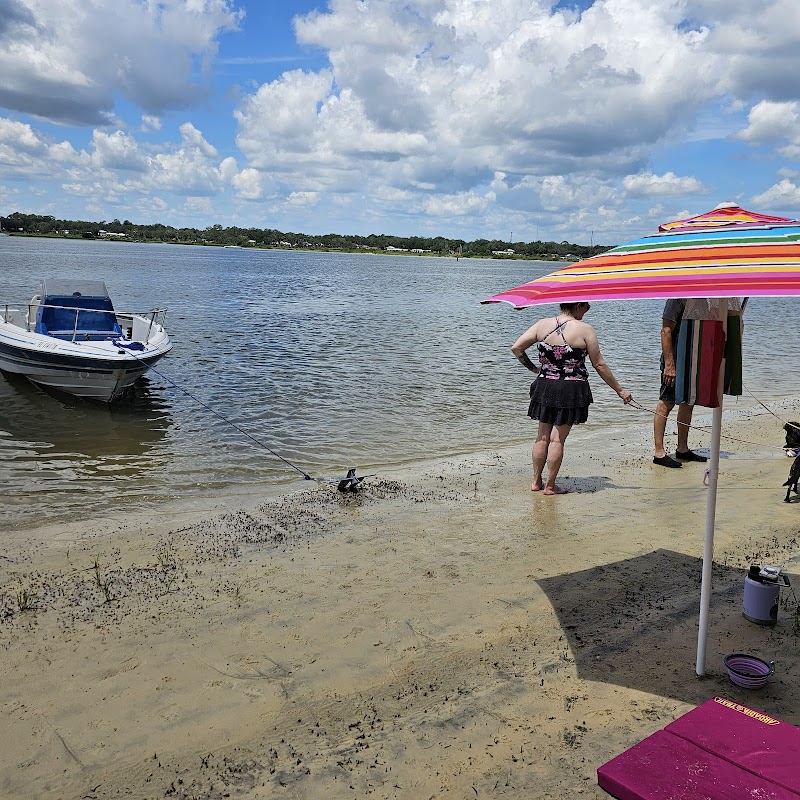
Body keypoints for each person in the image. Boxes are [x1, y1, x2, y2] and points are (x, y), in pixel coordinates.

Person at [511, 301, 633, 495]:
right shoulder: (585, 330)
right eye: (586, 306)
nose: (588, 309)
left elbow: (517, 348)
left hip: (544, 385)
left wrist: (535, 369)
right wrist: (620, 390)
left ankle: (536, 481)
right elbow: (599, 364)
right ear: (577, 305)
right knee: (557, 440)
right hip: (571, 388)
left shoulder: (542, 324)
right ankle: (550, 486)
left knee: (542, 436)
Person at [652, 298, 708, 468]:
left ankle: (682, 449)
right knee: (666, 402)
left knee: (688, 401)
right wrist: (669, 364)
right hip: (675, 359)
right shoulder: (677, 297)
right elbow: (666, 330)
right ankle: (659, 452)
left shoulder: (703, 299)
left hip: (693, 358)